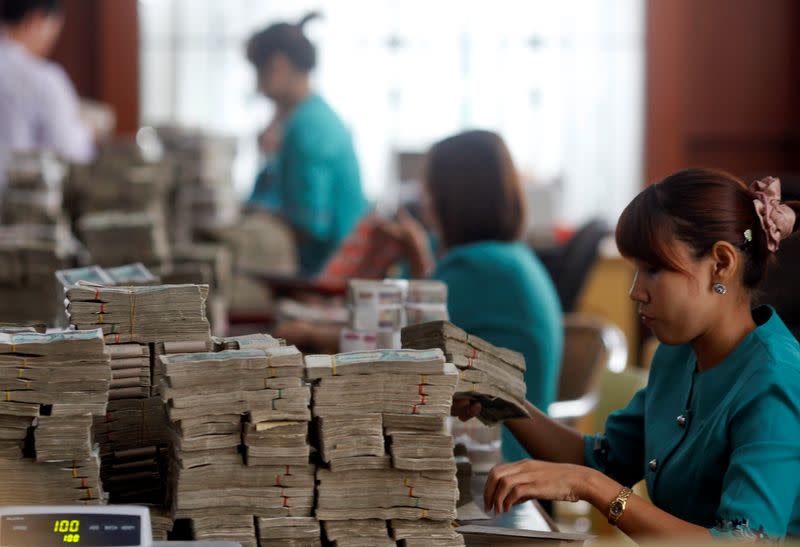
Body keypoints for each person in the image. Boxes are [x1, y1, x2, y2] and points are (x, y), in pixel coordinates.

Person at [457, 168, 800, 541]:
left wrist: (593, 486)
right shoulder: (679, 356)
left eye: (653, 270)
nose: (636, 291)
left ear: (721, 263)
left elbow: (743, 543)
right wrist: (504, 399)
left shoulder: (774, 380)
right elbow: (603, 460)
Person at [386, 130, 564, 463]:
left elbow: (396, 339)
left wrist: (308, 334)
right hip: (515, 447)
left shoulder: (477, 267)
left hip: (496, 457)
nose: (424, 199)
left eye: (431, 188)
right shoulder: (509, 259)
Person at [245, 13, 368, 276]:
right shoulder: (311, 117)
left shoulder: (307, 127)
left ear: (277, 65)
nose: (257, 83)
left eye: (259, 70)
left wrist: (255, 217)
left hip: (327, 278)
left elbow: (309, 225)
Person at [0, 0, 94, 188]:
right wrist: (88, 129)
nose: (52, 42)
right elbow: (72, 151)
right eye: (53, 30)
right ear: (36, 20)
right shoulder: (44, 79)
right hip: (20, 203)